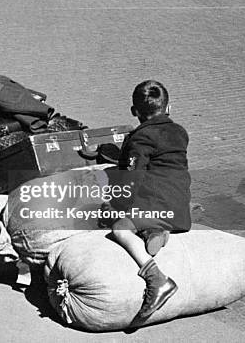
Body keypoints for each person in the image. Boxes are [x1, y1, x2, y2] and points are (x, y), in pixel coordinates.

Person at [102, 80, 191, 328]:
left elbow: (130, 180)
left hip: (159, 206)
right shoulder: (180, 132)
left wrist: (113, 205)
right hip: (181, 208)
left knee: (120, 227)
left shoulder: (139, 138)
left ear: (134, 111)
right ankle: (155, 231)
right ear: (169, 107)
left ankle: (157, 280)